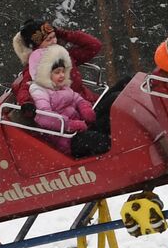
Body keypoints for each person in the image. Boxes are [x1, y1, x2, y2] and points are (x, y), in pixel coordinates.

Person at [10, 19, 112, 157]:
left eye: (54, 37)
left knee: (121, 94)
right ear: (37, 46)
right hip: (74, 121)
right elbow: (25, 89)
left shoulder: (63, 57)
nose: (54, 42)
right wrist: (26, 103)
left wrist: (62, 33)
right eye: (48, 40)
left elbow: (94, 45)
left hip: (88, 107)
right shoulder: (37, 70)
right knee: (113, 114)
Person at [26, 44, 98, 155]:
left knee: (107, 123)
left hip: (77, 129)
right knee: (100, 141)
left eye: (63, 71)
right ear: (46, 74)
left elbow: (75, 97)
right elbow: (44, 117)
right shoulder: (39, 90)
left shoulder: (60, 85)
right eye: (57, 72)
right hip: (64, 139)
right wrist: (70, 125)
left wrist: (85, 108)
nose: (62, 75)